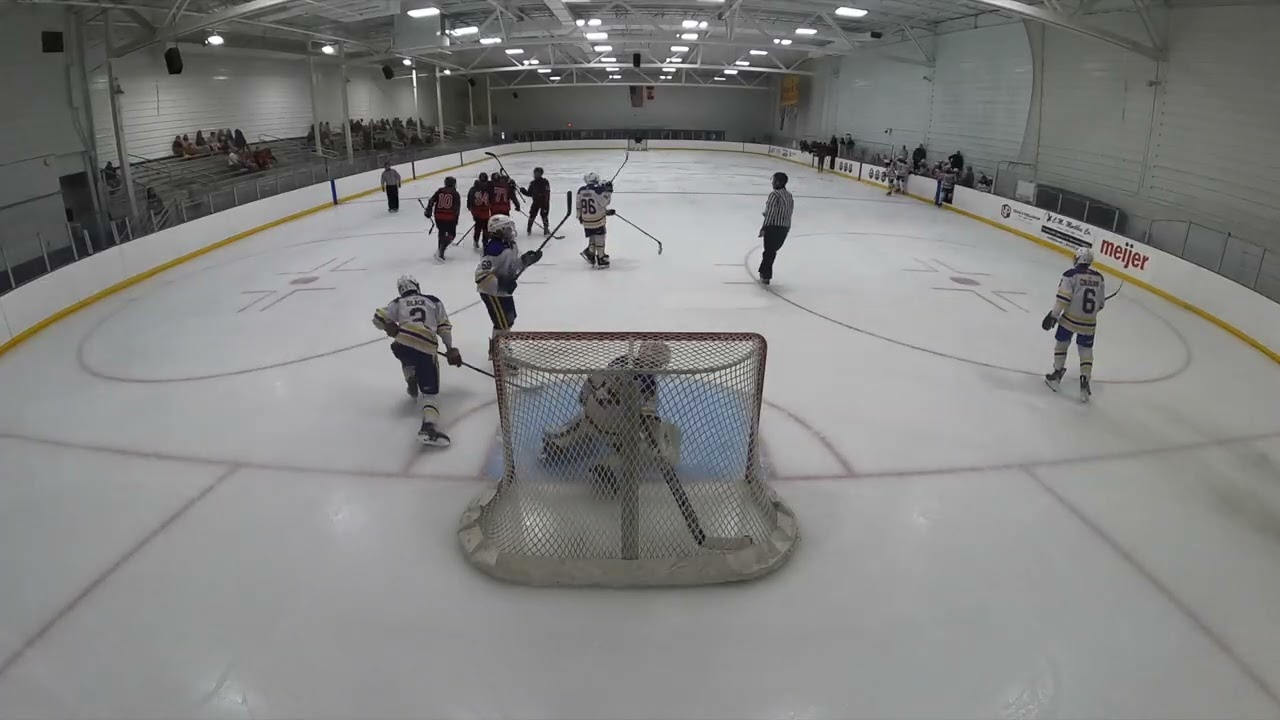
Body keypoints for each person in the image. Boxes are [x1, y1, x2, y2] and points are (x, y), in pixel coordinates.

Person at [539, 340, 681, 494]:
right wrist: (656, 444)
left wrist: (587, 398)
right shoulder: (650, 386)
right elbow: (648, 420)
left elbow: (592, 380)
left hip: (592, 415)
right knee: (637, 447)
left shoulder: (621, 361)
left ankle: (559, 443)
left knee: (583, 419)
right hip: (616, 430)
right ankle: (609, 467)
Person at [372, 274, 464, 446]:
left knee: (403, 350)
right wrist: (450, 349)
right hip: (426, 344)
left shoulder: (398, 302)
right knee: (430, 393)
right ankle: (428, 427)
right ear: (417, 286)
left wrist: (388, 326)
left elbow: (377, 317)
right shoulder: (432, 300)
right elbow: (444, 326)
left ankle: (410, 374)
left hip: (403, 342)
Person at [475, 214, 542, 368]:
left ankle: (497, 348)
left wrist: (525, 261)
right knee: (502, 322)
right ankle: (499, 353)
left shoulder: (511, 245)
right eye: (507, 229)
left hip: (503, 291)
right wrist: (501, 284)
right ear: (497, 231)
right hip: (491, 292)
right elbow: (480, 276)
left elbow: (512, 266)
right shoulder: (493, 249)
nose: (510, 231)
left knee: (509, 318)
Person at [1042, 248, 1105, 402]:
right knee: (1085, 350)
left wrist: (1054, 315)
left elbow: (1063, 300)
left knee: (1062, 344)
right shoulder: (1099, 278)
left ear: (1079, 259)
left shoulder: (1070, 275)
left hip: (1070, 319)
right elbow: (1101, 304)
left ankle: (1056, 375)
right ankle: (1085, 382)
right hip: (1089, 322)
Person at [757, 171, 793, 286]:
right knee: (771, 251)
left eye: (773, 181)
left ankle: (765, 275)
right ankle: (764, 273)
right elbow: (789, 212)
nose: (772, 183)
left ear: (778, 182)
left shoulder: (774, 195)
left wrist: (764, 227)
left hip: (773, 227)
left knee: (768, 252)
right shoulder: (789, 195)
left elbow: (771, 213)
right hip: (784, 228)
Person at [576, 171, 614, 268]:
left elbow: (579, 206)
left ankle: (591, 253)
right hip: (597, 219)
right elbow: (604, 202)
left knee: (592, 236)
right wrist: (608, 191)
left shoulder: (580, 190)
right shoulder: (598, 190)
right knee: (600, 236)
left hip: (585, 220)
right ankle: (601, 257)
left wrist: (579, 216)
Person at [426, 176, 461, 262]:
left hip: (439, 217)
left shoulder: (440, 191)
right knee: (452, 234)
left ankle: (440, 249)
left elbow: (431, 200)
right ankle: (443, 247)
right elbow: (456, 208)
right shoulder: (455, 194)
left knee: (441, 233)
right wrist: (456, 219)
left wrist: (428, 210)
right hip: (450, 217)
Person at [521, 167, 551, 236]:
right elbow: (529, 193)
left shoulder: (545, 182)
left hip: (544, 202)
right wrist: (523, 191)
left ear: (541, 174)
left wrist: (543, 199)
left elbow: (547, 192)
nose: (535, 175)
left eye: (537, 173)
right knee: (532, 215)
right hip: (536, 202)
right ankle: (529, 229)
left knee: (544, 216)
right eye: (535, 173)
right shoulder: (532, 183)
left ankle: (546, 230)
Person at [467, 172, 492, 249]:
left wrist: (471, 209)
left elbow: (469, 201)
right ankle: (484, 242)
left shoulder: (473, 189)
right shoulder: (488, 188)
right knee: (485, 228)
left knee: (479, 227)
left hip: (477, 212)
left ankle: (477, 241)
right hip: (483, 212)